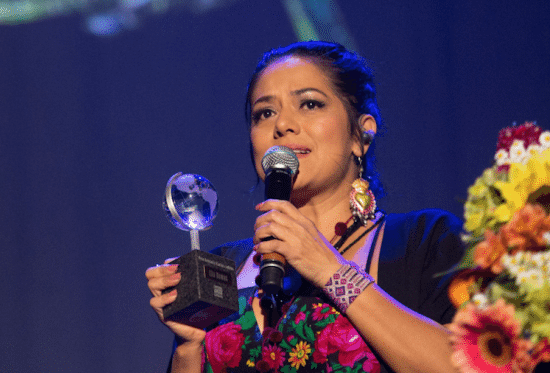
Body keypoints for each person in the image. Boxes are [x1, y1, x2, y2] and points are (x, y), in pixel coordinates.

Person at [146, 41, 464, 373]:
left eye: (310, 104)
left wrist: (329, 269)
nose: (282, 125)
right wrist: (188, 347)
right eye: (264, 113)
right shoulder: (225, 267)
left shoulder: (424, 243)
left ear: (362, 135)